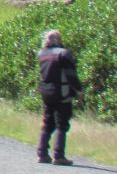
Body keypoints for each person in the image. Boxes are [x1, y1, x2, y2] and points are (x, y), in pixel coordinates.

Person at [36, 29, 84, 165]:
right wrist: (79, 90)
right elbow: (71, 76)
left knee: (47, 123)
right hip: (62, 93)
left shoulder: (42, 54)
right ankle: (59, 156)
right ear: (58, 40)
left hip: (46, 93)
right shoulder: (64, 54)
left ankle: (42, 153)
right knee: (62, 125)